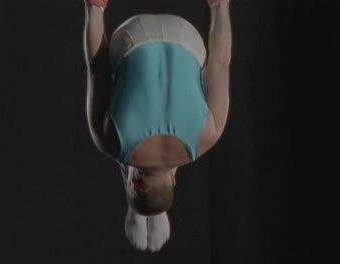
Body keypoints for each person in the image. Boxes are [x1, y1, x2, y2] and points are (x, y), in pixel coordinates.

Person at [83, 0, 232, 251]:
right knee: (121, 151)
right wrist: (94, 7)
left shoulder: (209, 137)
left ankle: (154, 190)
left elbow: (220, 63)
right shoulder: (105, 140)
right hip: (133, 36)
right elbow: (96, 67)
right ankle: (139, 197)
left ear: (173, 181)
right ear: (132, 184)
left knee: (205, 85)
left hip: (184, 35)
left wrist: (220, 5)